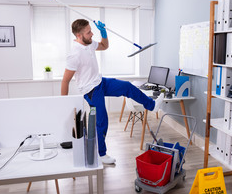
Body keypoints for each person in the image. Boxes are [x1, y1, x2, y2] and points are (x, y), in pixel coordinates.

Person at [61, 19, 164, 165]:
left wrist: (104, 32)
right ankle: (101, 154)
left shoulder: (89, 44)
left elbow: (104, 46)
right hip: (90, 90)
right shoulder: (74, 55)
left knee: (127, 86)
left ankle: (152, 105)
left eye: (91, 30)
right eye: (88, 32)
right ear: (79, 35)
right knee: (102, 121)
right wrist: (62, 103)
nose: (92, 34)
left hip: (100, 82)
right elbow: (65, 81)